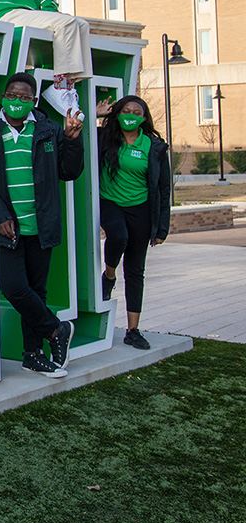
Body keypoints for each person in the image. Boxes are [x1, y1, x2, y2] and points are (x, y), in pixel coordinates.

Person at [0, 72, 82, 378]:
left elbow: (69, 171)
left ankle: (33, 354)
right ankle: (56, 329)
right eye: (11, 95)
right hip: (7, 227)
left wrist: (72, 140)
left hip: (41, 226)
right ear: (3, 96)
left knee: (36, 291)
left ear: (33, 101)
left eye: (23, 97)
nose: (16, 101)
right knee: (14, 287)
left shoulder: (48, 129)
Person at [98, 95, 171, 350]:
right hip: (111, 202)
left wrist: (162, 227)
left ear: (144, 117)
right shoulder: (104, 138)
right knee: (118, 236)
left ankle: (133, 330)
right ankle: (108, 275)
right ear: (117, 114)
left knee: (135, 271)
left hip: (141, 209)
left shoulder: (154, 146)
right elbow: (76, 135)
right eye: (126, 110)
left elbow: (163, 188)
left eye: (136, 111)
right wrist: (97, 114)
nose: (131, 114)